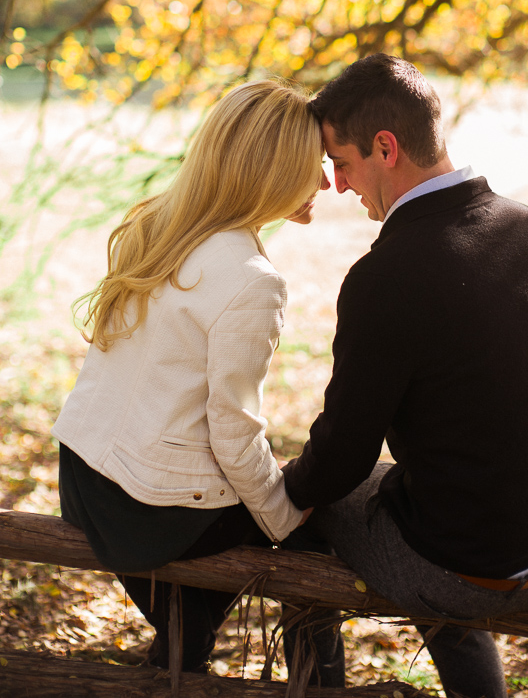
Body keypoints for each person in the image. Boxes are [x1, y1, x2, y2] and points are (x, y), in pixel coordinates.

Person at [283, 54, 528, 698]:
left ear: (385, 147)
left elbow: (341, 458)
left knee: (304, 513)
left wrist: (274, 492)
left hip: (480, 566)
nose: (339, 186)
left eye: (341, 164)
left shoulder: (385, 278)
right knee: (433, 505)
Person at [52, 80, 343, 681]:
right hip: (141, 505)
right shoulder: (252, 280)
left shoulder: (157, 223)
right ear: (272, 169)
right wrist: (290, 520)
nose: (324, 182)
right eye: (312, 165)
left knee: (250, 513)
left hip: (82, 471)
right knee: (316, 547)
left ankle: (182, 654)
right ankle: (320, 690)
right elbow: (233, 435)